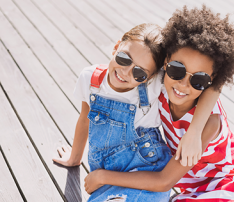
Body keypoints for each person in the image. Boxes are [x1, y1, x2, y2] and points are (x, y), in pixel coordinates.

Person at [83, 6, 234, 202]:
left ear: (211, 80)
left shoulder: (207, 122)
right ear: (166, 63)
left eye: (198, 80)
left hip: (225, 176)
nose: (183, 84)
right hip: (190, 184)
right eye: (177, 70)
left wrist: (102, 176)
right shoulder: (161, 82)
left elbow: (164, 181)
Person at [53, 23, 219, 202]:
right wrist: (74, 158)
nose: (125, 72)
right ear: (116, 47)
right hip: (105, 173)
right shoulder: (90, 79)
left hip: (148, 171)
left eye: (139, 73)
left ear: (152, 76)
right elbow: (85, 119)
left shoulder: (154, 87)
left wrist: (194, 131)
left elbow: (214, 84)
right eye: (124, 58)